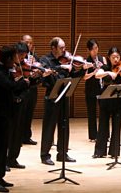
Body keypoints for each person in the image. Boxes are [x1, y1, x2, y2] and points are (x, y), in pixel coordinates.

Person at [39, 37, 89, 165]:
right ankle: (45, 155)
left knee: (64, 125)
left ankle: (62, 153)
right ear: (53, 48)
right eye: (61, 48)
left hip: (64, 95)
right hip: (52, 96)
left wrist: (83, 69)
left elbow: (73, 76)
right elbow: (45, 77)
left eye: (64, 47)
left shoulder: (67, 61)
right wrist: (61, 67)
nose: (64, 50)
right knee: (49, 127)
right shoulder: (45, 60)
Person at [0, 45, 29, 192]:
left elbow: (14, 87)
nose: (16, 60)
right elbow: (10, 86)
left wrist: (26, 83)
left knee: (3, 147)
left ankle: (0, 177)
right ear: (8, 58)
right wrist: (23, 83)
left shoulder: (5, 70)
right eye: (14, 57)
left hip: (5, 114)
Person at [93, 47, 121, 158]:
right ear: (109, 57)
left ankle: (114, 152)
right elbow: (97, 75)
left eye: (117, 57)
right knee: (103, 125)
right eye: (113, 57)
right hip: (106, 99)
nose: (116, 59)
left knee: (117, 126)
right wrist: (108, 72)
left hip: (119, 100)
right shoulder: (104, 67)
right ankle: (100, 151)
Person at [83, 39, 106, 142]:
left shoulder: (102, 59)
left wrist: (103, 68)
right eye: (93, 49)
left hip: (101, 89)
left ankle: (104, 134)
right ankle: (93, 136)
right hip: (91, 89)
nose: (95, 51)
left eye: (96, 48)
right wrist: (94, 72)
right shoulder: (86, 61)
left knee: (104, 112)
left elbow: (107, 70)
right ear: (88, 50)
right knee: (91, 113)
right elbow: (85, 77)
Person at [20, 35, 39, 145]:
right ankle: (18, 137)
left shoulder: (34, 56)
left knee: (29, 113)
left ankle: (27, 136)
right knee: (21, 114)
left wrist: (35, 69)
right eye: (27, 42)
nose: (29, 45)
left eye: (31, 43)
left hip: (32, 88)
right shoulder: (18, 57)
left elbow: (39, 69)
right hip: (21, 88)